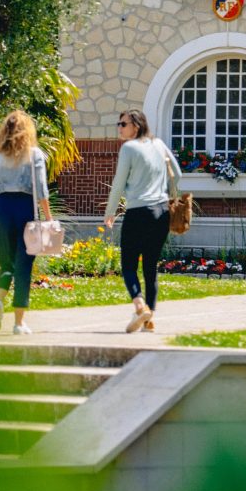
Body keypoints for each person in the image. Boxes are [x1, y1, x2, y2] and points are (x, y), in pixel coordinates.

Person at [102, 109, 179, 334]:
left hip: (138, 212)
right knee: (150, 268)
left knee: (128, 264)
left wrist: (110, 211)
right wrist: (168, 195)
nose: (119, 127)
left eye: (123, 124)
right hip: (161, 212)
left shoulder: (129, 148)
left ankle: (139, 307)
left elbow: (118, 183)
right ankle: (149, 320)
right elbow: (178, 174)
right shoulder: (159, 145)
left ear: (136, 125)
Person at [0, 110, 52, 335]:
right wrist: (49, 218)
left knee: (7, 263)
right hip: (25, 208)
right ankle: (18, 322)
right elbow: (42, 190)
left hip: (3, 208)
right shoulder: (34, 154)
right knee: (24, 265)